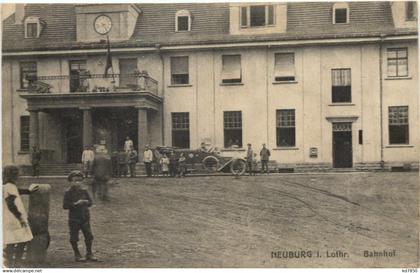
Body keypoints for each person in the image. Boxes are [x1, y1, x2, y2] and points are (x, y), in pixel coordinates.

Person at [3, 165, 38, 267]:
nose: (19, 176)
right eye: (17, 174)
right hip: (14, 218)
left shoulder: (6, 185)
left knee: (11, 240)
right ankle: (16, 261)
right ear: (13, 175)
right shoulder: (10, 186)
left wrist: (29, 191)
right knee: (23, 239)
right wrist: (20, 218)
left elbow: (18, 191)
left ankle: (10, 262)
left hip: (7, 217)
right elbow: (11, 204)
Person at [63, 170, 97, 262]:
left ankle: (89, 253)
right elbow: (65, 206)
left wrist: (86, 202)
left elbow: (90, 203)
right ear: (71, 181)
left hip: (85, 217)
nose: (78, 183)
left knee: (89, 236)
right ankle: (77, 254)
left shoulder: (84, 191)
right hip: (74, 218)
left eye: (80, 180)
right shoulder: (68, 192)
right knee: (74, 236)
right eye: (75, 181)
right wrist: (75, 204)